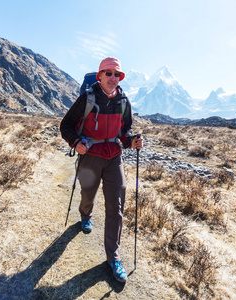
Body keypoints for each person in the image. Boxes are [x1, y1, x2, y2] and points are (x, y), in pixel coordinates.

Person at [60, 57, 143, 283]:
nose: (113, 78)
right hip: (90, 155)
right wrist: (75, 141)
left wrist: (131, 141)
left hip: (114, 156)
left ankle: (113, 257)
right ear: (99, 76)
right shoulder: (87, 98)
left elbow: (125, 131)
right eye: (108, 73)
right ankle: (85, 215)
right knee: (88, 194)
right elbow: (65, 125)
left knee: (116, 207)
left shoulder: (123, 101)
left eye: (117, 74)